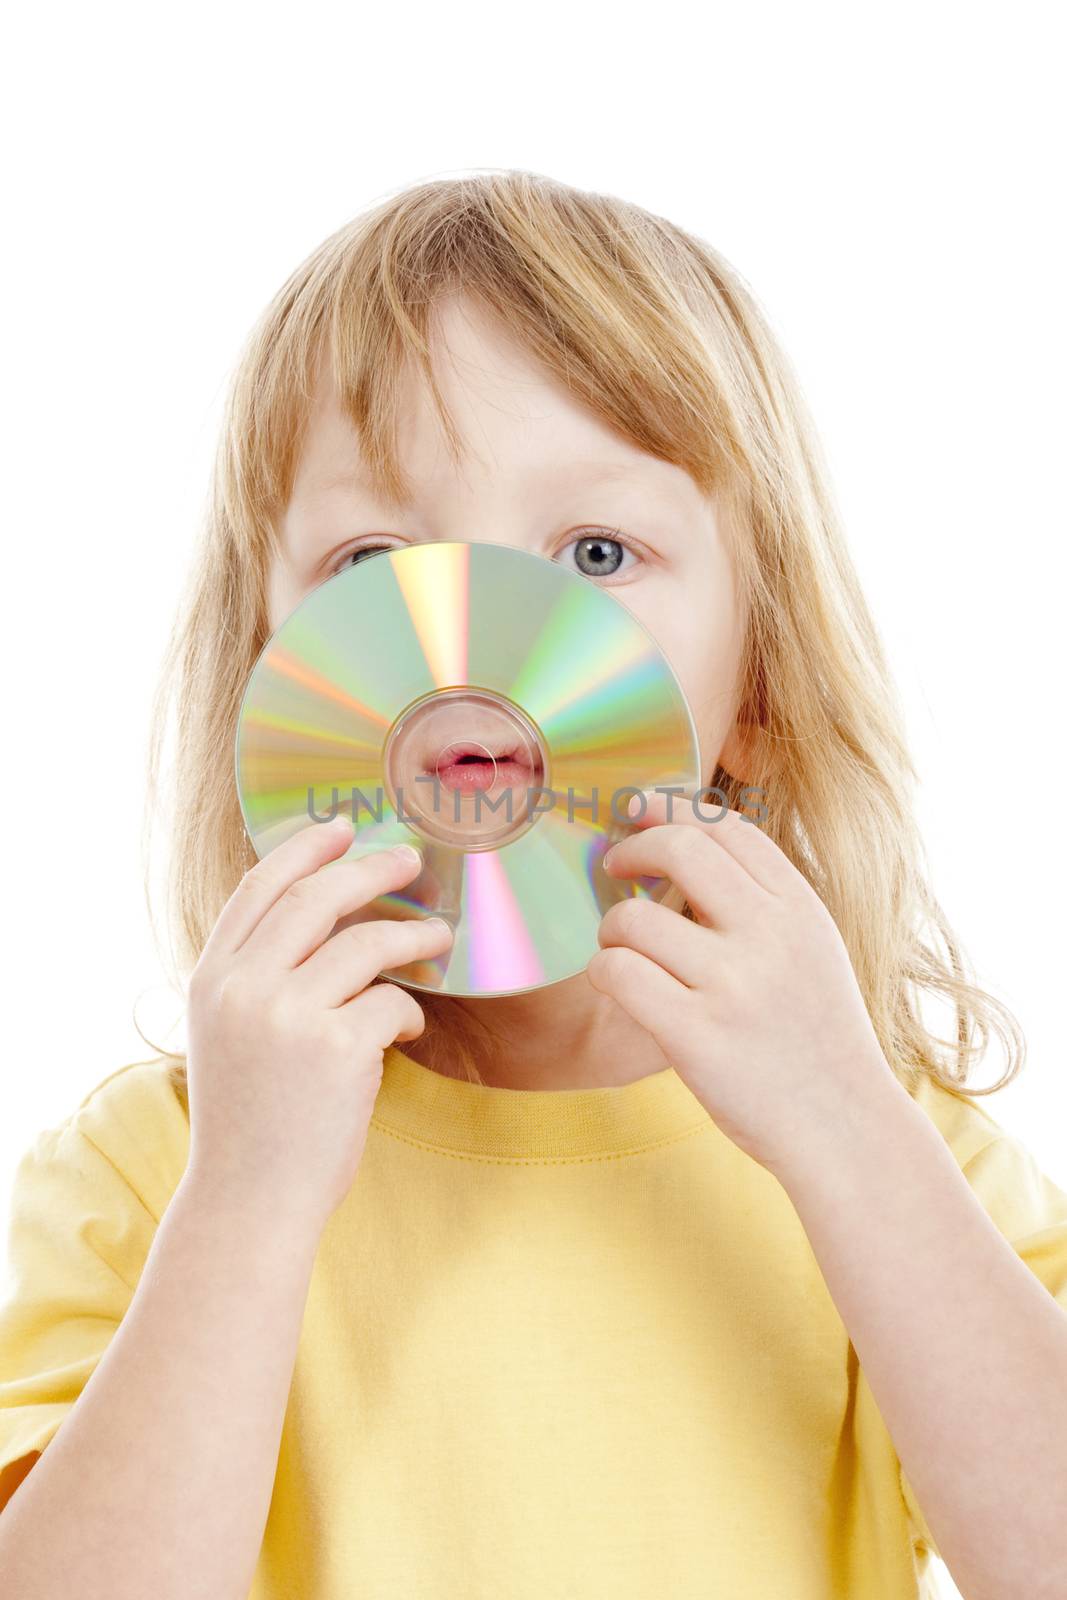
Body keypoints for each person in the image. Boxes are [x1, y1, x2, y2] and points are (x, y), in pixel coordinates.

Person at [1, 170, 1065, 1600]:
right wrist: (247, 1205)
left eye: (598, 553)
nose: (478, 639)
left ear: (756, 692)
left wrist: (850, 1135)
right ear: (266, 681)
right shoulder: (159, 1169)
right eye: (376, 559)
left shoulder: (888, 1150)